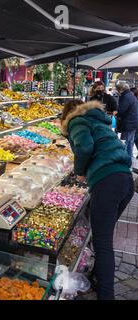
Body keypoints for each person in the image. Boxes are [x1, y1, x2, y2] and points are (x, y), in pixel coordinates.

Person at [61, 99, 134, 300]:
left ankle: (106, 295)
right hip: (125, 180)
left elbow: (84, 147)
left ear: (67, 115)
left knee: (103, 244)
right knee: (101, 235)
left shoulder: (76, 121)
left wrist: (80, 172)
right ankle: (96, 275)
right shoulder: (98, 121)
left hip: (107, 183)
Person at [115, 81, 138, 159]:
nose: (117, 92)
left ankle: (124, 159)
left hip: (128, 123)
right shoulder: (131, 95)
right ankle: (129, 158)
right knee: (130, 142)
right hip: (134, 123)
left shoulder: (125, 97)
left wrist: (116, 113)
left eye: (117, 90)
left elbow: (121, 110)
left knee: (125, 142)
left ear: (121, 89)